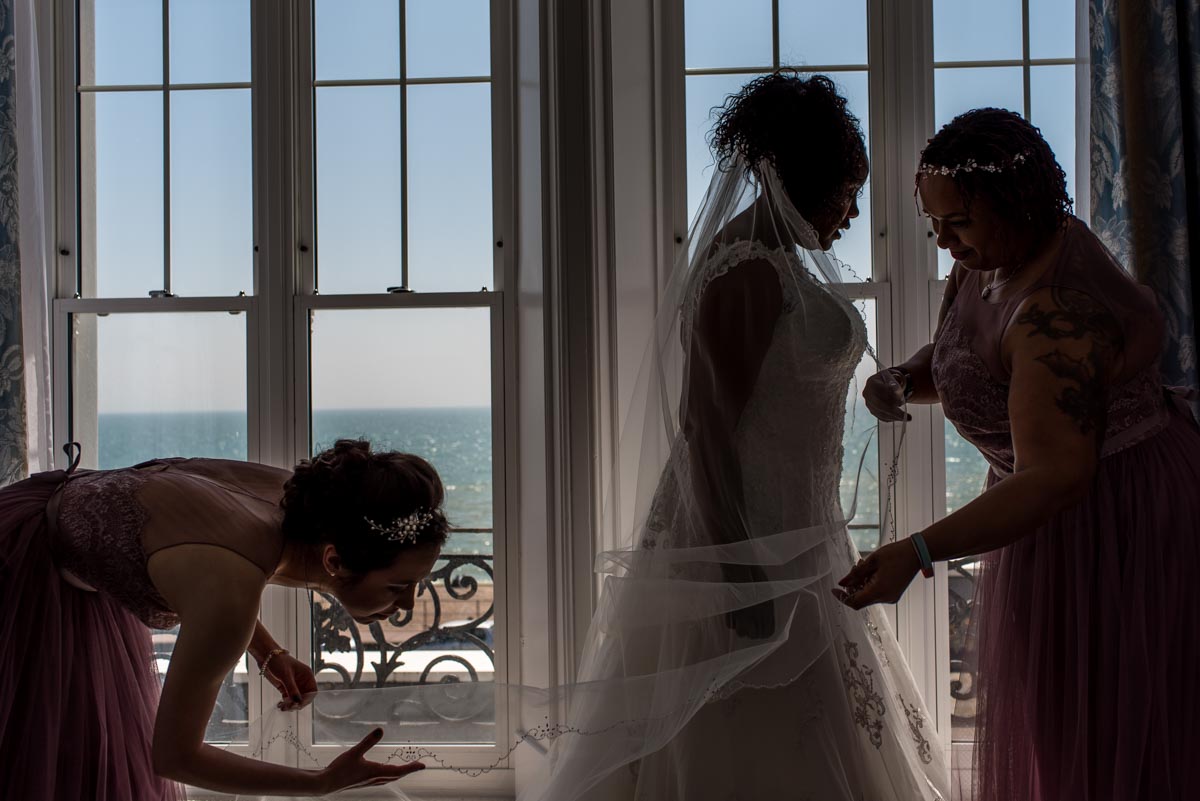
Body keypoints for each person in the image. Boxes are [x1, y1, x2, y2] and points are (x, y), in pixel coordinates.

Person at [519, 71, 948, 801]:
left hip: (806, 534)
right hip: (750, 539)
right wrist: (739, 571)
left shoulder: (777, 262)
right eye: (846, 192)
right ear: (804, 180)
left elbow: (789, 385)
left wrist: (880, 383)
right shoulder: (744, 272)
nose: (850, 215)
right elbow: (705, 434)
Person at [841, 107, 1200, 800]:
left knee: (1103, 741)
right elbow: (973, 353)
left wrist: (916, 553)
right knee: (1063, 729)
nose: (944, 242)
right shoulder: (995, 259)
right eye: (933, 223)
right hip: (1055, 517)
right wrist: (904, 379)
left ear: (1016, 204)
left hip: (1115, 526)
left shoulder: (1057, 310)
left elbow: (1058, 474)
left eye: (959, 224)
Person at [0, 438, 443, 798]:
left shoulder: (313, 508)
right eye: (396, 585)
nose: (407, 603)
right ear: (333, 560)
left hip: (68, 542)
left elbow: (207, 568)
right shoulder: (232, 586)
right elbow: (175, 757)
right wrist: (320, 783)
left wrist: (268, 653)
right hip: (19, 573)